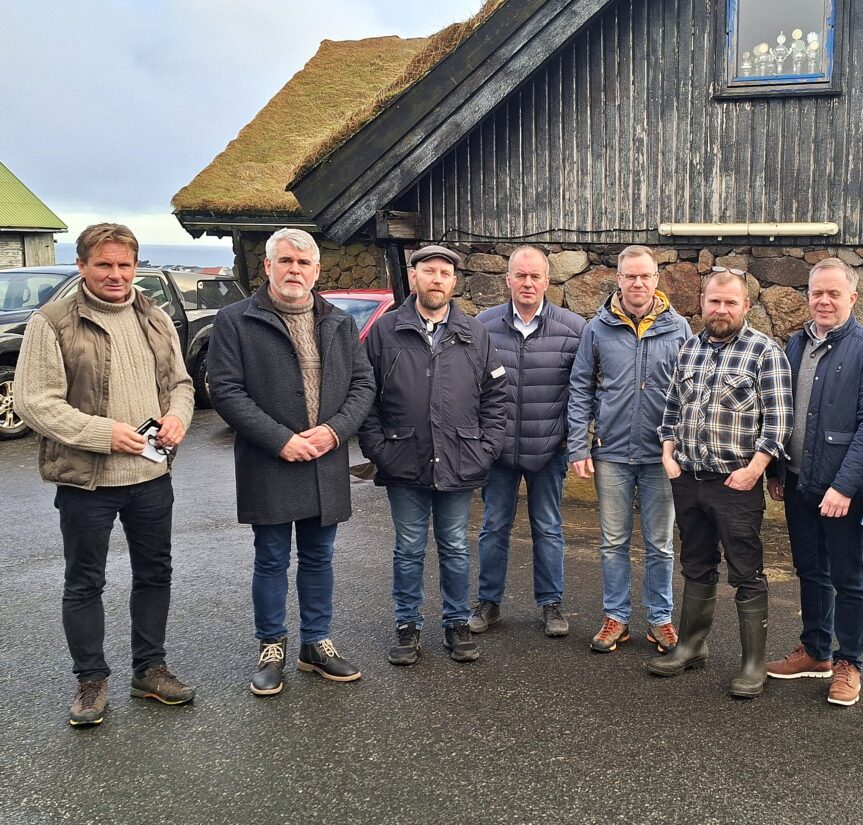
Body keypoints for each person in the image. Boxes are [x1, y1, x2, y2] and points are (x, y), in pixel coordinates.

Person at [14, 223, 196, 726]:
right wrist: (103, 434)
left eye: (124, 265)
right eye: (104, 264)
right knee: (85, 581)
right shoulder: (52, 322)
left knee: (155, 573)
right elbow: (34, 402)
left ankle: (150, 670)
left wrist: (178, 416)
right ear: (82, 266)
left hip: (151, 476)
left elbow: (181, 383)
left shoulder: (155, 317)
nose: (116, 274)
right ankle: (91, 680)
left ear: (135, 266)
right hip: (86, 479)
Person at [207, 229, 374, 697]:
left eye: (303, 263)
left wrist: (335, 430)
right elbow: (226, 390)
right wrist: (280, 439)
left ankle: (316, 643)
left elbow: (363, 384)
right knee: (271, 558)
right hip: (270, 460)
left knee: (319, 557)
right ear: (268, 266)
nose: (294, 270)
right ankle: (271, 647)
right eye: (285, 261)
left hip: (325, 457)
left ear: (316, 271)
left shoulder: (339, 322)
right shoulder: (235, 320)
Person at [358, 244, 507, 665]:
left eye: (444, 273)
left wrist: (485, 448)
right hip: (403, 458)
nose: (437, 279)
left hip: (460, 458)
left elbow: (496, 396)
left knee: (455, 546)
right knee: (408, 548)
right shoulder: (385, 332)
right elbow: (365, 396)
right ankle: (407, 626)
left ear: (454, 281)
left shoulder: (474, 333)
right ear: (414, 277)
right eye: (429, 271)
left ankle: (457, 624)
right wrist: (379, 449)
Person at [648, 267, 792, 698]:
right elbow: (672, 408)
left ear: (746, 306)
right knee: (695, 563)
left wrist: (755, 469)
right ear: (702, 303)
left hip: (735, 483)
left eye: (731, 302)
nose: (722, 309)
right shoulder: (689, 348)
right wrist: (668, 455)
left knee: (745, 571)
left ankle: (753, 664)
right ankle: (691, 646)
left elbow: (779, 421)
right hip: (688, 479)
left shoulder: (765, 352)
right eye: (715, 301)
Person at [764, 259, 863, 706]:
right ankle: (815, 651)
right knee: (810, 570)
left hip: (841, 488)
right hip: (798, 481)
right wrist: (777, 471)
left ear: (852, 298)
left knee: (847, 576)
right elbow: (782, 411)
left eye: (833, 293)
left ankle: (849, 662)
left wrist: (844, 487)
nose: (823, 300)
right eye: (817, 292)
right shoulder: (796, 343)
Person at [567, 245, 692, 654]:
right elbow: (580, 388)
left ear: (656, 279)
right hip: (612, 452)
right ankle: (616, 618)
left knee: (660, 543)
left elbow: (690, 392)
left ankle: (660, 619)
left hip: (661, 455)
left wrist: (682, 448)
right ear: (618, 279)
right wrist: (578, 446)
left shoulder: (679, 328)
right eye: (630, 275)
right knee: (612, 542)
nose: (638, 282)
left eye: (645, 275)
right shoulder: (597, 329)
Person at [470, 247, 585, 638]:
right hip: (498, 452)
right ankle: (488, 602)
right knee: (493, 528)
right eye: (520, 275)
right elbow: (471, 388)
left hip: (549, 449)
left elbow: (583, 391)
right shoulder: (483, 327)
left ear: (547, 281)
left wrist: (572, 441)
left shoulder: (573, 329)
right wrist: (482, 442)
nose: (528, 283)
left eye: (535, 276)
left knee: (549, 528)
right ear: (508, 280)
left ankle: (551, 603)